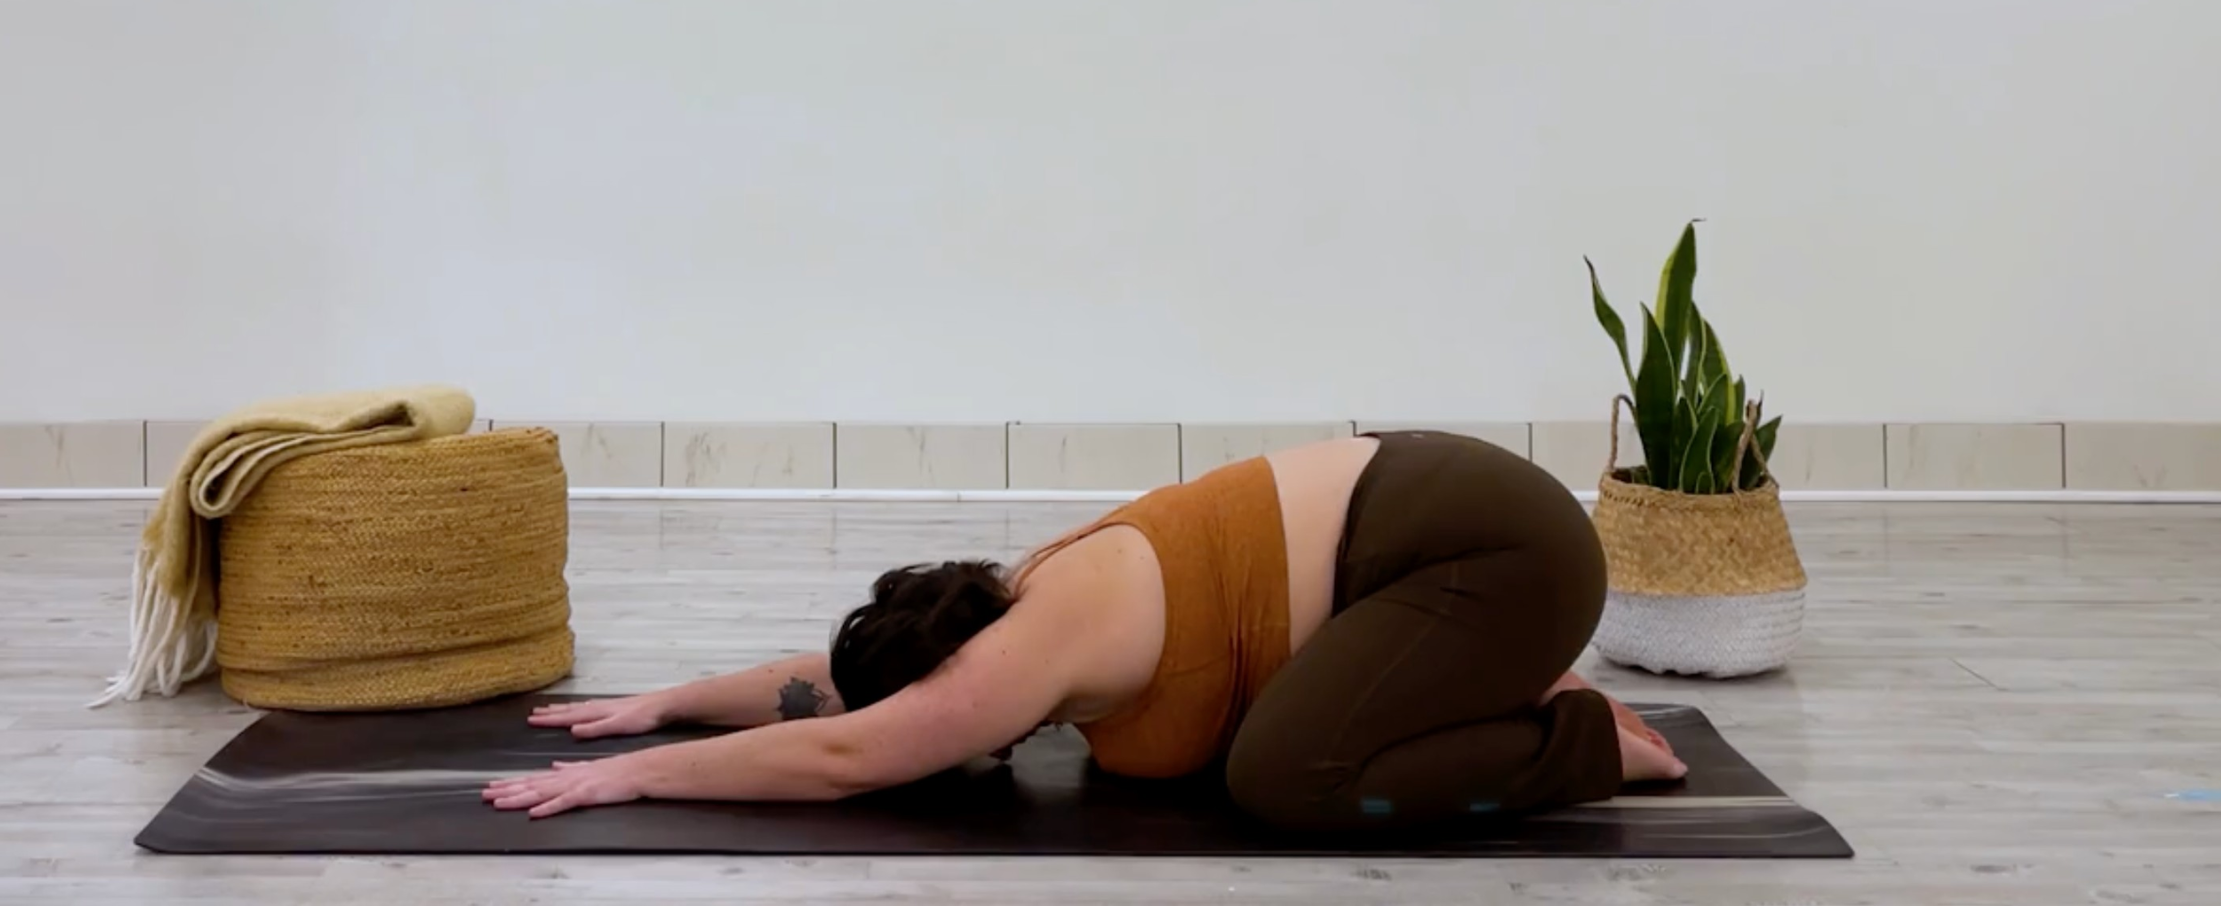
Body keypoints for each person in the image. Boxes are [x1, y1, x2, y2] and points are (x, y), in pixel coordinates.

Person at [484, 430, 1687, 827]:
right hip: (1433, 538)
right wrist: (674, 697)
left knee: (1286, 777)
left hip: (1496, 554)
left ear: (961, 671)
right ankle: (1487, 683)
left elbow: (853, 749)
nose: (947, 733)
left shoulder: (1021, 654)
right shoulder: (1010, 603)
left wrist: (635, 777)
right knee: (1275, 746)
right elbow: (839, 690)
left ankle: (1585, 740)